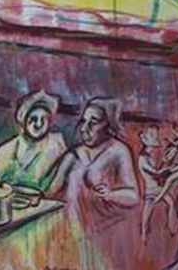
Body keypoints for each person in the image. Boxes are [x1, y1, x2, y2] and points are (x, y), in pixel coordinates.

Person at [47, 97, 140, 233]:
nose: (84, 129)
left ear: (108, 125)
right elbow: (51, 189)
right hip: (73, 230)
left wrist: (110, 194)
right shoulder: (74, 153)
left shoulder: (119, 151)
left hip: (104, 232)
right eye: (84, 121)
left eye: (93, 122)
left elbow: (133, 197)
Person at [0, 90, 66, 191]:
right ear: (23, 121)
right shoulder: (5, 150)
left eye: (43, 119)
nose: (38, 125)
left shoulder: (57, 147)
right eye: (33, 119)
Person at [137, 126, 178, 239]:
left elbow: (157, 173)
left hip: (153, 189)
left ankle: (169, 230)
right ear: (145, 140)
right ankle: (172, 229)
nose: (156, 137)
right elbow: (157, 173)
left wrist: (169, 163)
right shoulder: (142, 159)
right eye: (152, 135)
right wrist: (174, 168)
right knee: (171, 203)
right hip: (153, 190)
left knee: (147, 215)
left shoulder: (149, 157)